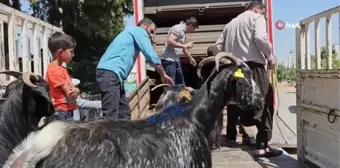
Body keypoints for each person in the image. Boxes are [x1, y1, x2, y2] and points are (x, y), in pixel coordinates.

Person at [214, 1, 281, 157]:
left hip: (236, 69)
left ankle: (231, 137)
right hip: (253, 68)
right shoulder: (256, 18)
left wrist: (231, 54)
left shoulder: (230, 24)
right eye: (263, 12)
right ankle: (262, 146)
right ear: (258, 8)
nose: (263, 15)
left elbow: (217, 46)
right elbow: (260, 38)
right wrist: (270, 56)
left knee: (236, 100)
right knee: (264, 102)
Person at [96, 18, 173, 120]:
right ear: (144, 26)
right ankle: (104, 135)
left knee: (124, 114)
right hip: (109, 74)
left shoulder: (130, 33)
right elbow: (150, 54)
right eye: (151, 31)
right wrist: (163, 74)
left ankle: (123, 135)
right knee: (110, 116)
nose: (151, 35)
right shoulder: (138, 31)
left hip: (115, 77)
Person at [45, 32, 79, 121]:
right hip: (62, 112)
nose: (73, 54)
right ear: (60, 52)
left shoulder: (61, 69)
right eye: (71, 51)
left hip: (65, 110)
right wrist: (77, 91)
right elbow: (71, 94)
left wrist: (76, 91)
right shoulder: (55, 70)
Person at [161, 17, 199, 85]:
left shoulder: (184, 33)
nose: (193, 31)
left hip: (175, 60)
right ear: (190, 26)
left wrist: (190, 58)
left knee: (181, 84)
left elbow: (184, 49)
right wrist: (186, 45)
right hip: (169, 60)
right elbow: (170, 41)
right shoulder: (178, 28)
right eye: (194, 29)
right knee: (172, 85)